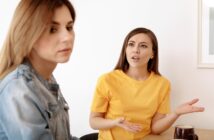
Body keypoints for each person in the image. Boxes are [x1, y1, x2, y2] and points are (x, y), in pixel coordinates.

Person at [89, 27, 205, 140]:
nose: (135, 50)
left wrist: (175, 113)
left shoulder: (162, 84)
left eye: (143, 46)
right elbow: (94, 122)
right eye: (131, 44)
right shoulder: (107, 80)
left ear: (152, 54)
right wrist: (115, 122)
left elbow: (155, 129)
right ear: (125, 50)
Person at [0, 0, 79, 140]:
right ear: (29, 34)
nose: (67, 37)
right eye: (52, 29)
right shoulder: (18, 89)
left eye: (69, 27)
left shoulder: (44, 78)